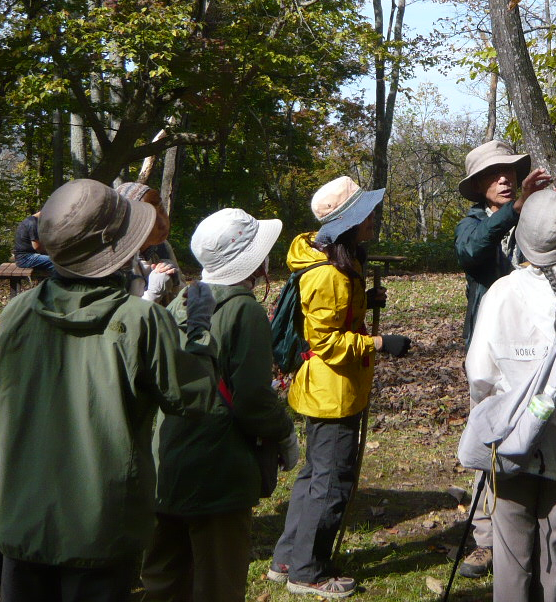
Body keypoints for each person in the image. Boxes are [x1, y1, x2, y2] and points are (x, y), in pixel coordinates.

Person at [0, 179, 225, 602]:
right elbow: (195, 398)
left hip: (23, 521)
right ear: (119, 248)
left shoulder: (19, 311)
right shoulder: (143, 320)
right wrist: (198, 331)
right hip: (102, 527)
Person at [453, 139, 556, 577]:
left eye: (509, 172)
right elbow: (471, 253)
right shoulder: (476, 223)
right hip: (499, 362)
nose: (503, 179)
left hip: (550, 362)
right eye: (492, 175)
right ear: (478, 185)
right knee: (496, 446)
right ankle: (487, 538)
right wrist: (514, 211)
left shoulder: (529, 215)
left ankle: (538, 536)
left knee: (549, 440)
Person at [142, 207, 300, 602]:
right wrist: (284, 433)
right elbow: (252, 398)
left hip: (168, 457)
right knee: (219, 581)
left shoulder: (183, 299)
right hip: (218, 465)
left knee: (164, 576)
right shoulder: (243, 308)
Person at [269, 176, 411, 599]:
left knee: (315, 475)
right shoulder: (327, 274)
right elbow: (326, 342)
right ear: (349, 222)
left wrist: (365, 299)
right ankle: (307, 572)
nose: (373, 219)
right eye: (366, 213)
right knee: (330, 482)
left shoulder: (335, 263)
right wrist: (382, 343)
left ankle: (287, 558)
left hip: (331, 389)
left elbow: (334, 318)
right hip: (332, 393)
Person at [115, 182, 180, 303]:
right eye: (150, 217)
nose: (163, 223)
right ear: (130, 221)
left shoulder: (162, 247)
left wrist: (176, 283)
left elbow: (181, 298)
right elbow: (121, 318)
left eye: (161, 209)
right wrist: (153, 293)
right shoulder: (116, 262)